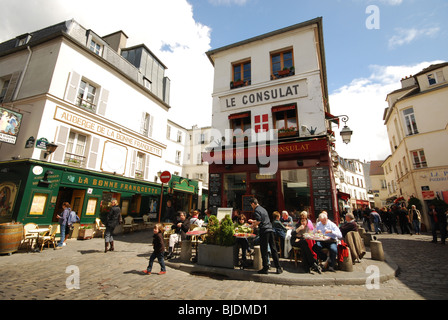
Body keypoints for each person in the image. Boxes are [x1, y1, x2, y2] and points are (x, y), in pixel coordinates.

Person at [248, 198, 282, 274]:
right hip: (270, 229)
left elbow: (259, 221)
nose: (251, 207)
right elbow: (263, 220)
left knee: (264, 250)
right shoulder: (263, 209)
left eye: (251, 205)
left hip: (264, 231)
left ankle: (265, 268)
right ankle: (278, 267)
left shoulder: (256, 210)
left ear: (253, 204)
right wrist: (254, 221)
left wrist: (252, 226)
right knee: (273, 249)